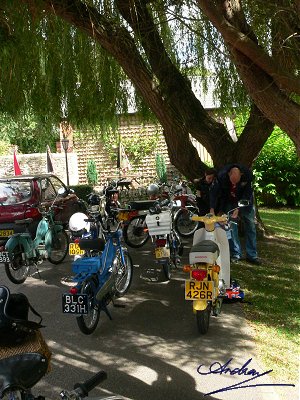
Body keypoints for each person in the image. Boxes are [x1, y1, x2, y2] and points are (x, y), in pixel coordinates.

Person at [209, 164, 260, 265]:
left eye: (236, 182)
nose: (234, 185)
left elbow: (247, 194)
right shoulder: (221, 177)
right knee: (231, 227)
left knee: (250, 226)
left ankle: (252, 255)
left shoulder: (248, 176)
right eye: (232, 181)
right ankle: (236, 253)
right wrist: (212, 208)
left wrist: (239, 208)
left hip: (245, 202)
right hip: (229, 201)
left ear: (241, 175)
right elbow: (214, 193)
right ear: (228, 175)